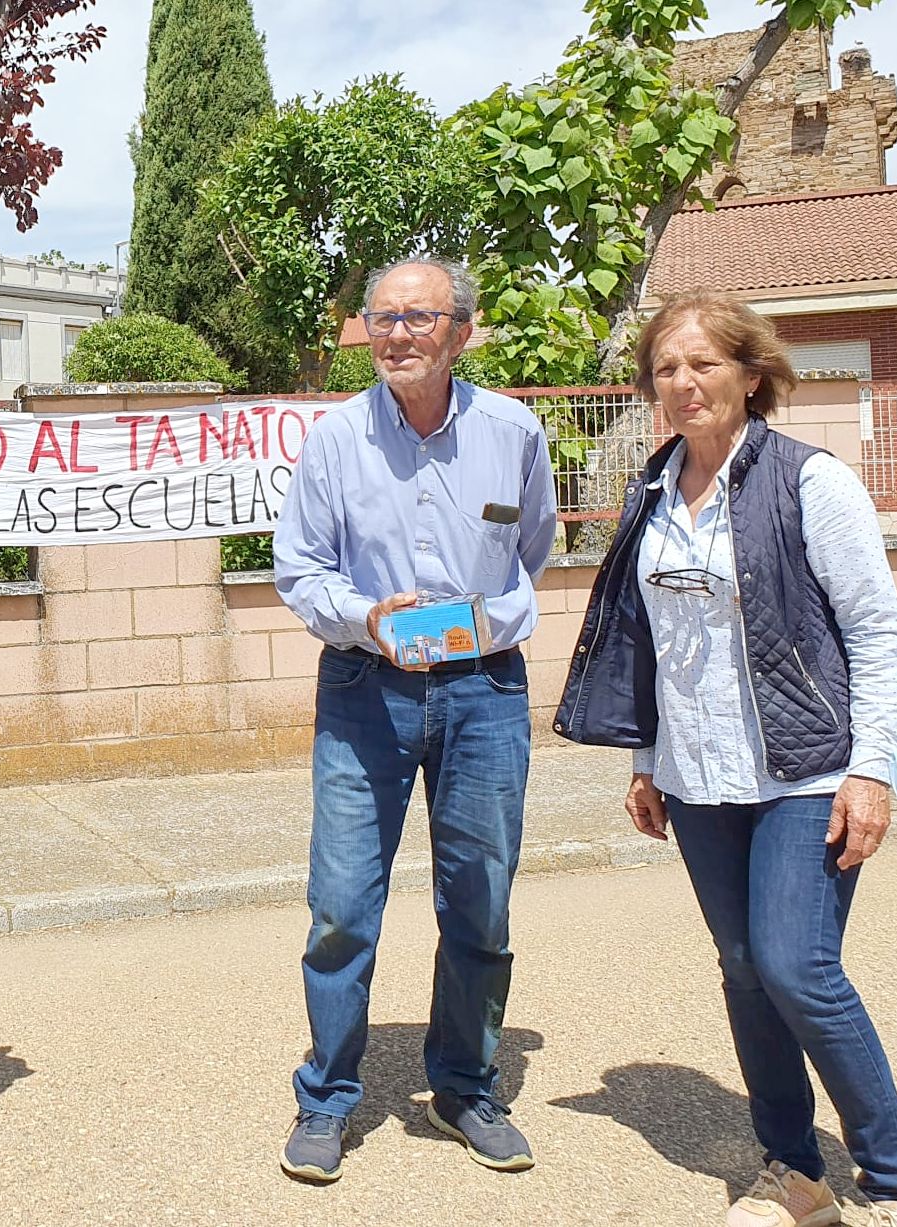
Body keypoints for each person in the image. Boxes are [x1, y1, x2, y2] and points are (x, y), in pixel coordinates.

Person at [554, 290, 897, 1227]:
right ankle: (794, 1173)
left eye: (704, 364)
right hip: (695, 775)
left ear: (750, 374)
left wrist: (870, 768)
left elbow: (879, 637)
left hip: (808, 768)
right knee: (739, 965)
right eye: (665, 368)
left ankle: (896, 1183)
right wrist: (645, 757)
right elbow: (647, 640)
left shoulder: (811, 482)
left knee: (796, 965)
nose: (683, 383)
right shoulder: (651, 491)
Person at [272, 259, 557, 1182]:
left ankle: (467, 1084)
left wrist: (484, 621)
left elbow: (532, 555)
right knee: (343, 904)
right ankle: (326, 1096)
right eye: (381, 318)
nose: (396, 334)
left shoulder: (512, 430)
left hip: (483, 690)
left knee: (479, 897)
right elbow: (300, 568)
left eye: (418, 317)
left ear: (460, 332)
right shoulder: (335, 438)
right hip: (365, 688)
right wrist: (368, 620)